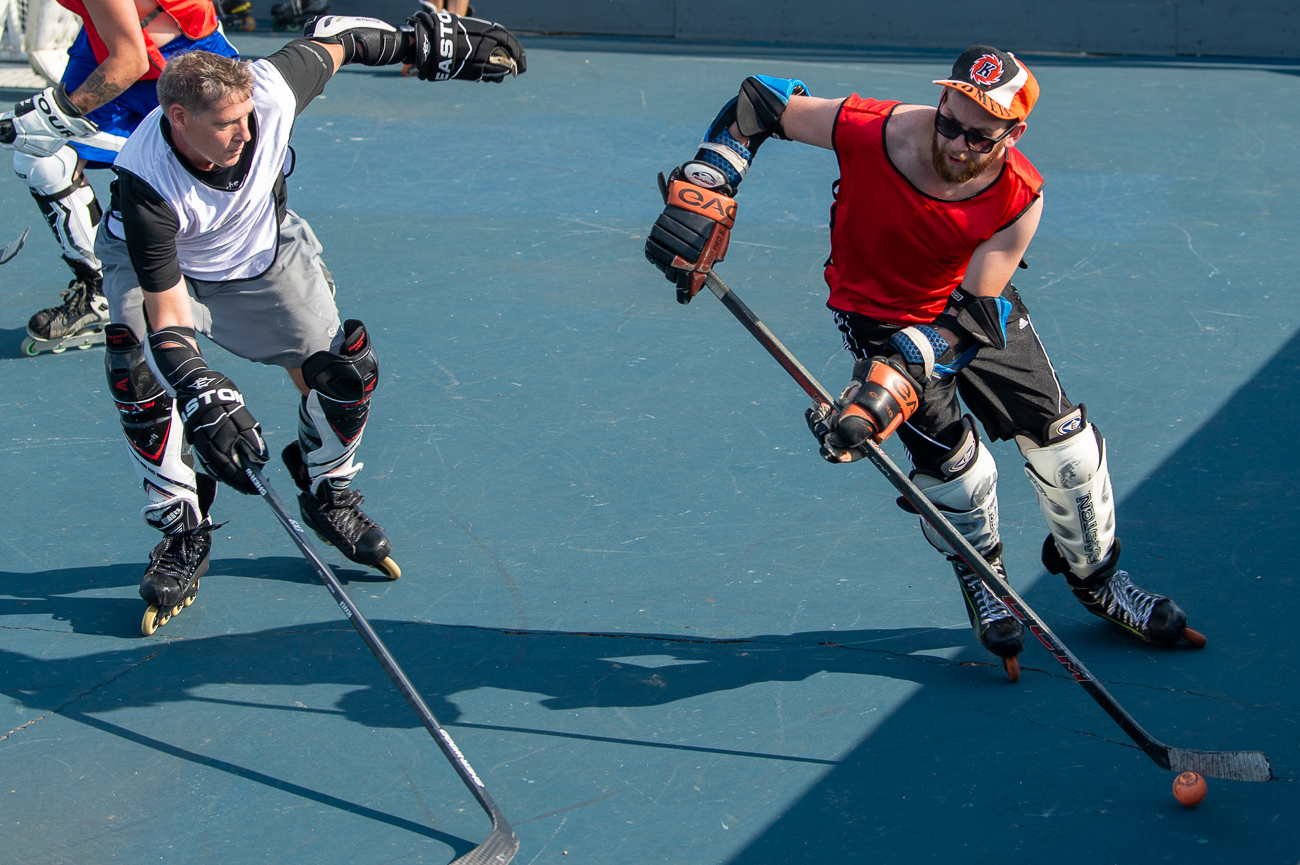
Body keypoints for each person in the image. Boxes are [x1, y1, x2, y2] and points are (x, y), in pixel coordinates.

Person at [645, 46, 1203, 677]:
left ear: (1013, 133)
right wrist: (713, 180)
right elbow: (758, 103)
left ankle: (1097, 580)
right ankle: (984, 574)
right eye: (951, 122)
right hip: (874, 313)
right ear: (941, 100)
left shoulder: (1020, 195)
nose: (960, 143)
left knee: (1066, 448)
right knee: (958, 476)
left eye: (982, 135)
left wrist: (885, 392)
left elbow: (968, 317)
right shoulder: (869, 129)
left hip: (969, 305)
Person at [97, 11, 525, 634]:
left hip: (260, 249)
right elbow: (168, 312)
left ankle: (328, 487)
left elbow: (342, 41)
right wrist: (198, 386)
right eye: (225, 125)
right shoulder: (146, 181)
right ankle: (181, 527)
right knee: (140, 374)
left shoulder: (266, 93)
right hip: (166, 271)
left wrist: (416, 44)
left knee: (344, 373)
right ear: (178, 120)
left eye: (246, 117)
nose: (245, 133)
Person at [0, 0, 237, 355]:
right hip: (111, 36)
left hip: (183, 68)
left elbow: (130, 60)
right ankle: (98, 290)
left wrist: (51, 117)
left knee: (207, 172)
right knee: (42, 156)